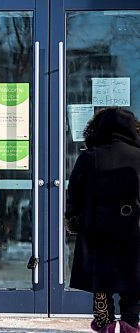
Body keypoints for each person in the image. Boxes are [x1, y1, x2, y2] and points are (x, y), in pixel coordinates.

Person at [65, 107, 140, 333]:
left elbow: (74, 193)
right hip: (134, 230)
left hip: (98, 231)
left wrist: (74, 220)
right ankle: (131, 322)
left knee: (100, 284)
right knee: (134, 283)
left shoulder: (89, 156)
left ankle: (104, 323)